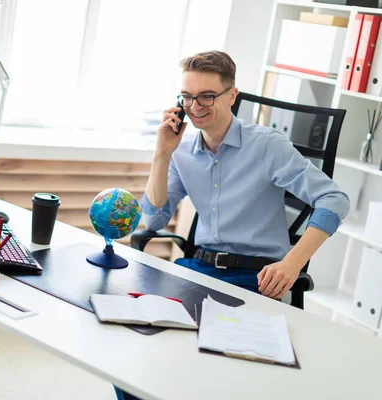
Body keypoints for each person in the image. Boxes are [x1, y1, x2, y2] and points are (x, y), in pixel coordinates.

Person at [114, 50, 350, 400]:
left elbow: (334, 201)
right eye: (187, 97)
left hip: (254, 279)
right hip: (196, 270)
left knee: (213, 371)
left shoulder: (267, 146)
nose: (195, 107)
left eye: (207, 96)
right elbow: (155, 218)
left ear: (231, 96)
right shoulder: (181, 150)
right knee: (132, 355)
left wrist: (292, 263)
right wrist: (161, 154)